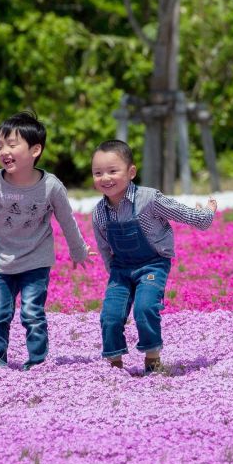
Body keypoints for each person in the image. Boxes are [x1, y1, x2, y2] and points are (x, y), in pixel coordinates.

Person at [0, 111, 93, 370]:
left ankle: (37, 360)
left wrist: (78, 250)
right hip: (3, 263)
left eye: (12, 144)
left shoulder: (52, 186)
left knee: (32, 314)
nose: (4, 151)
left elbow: (66, 219)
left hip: (36, 261)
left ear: (35, 149)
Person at [90, 140, 216, 374]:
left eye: (112, 171)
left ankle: (152, 359)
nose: (105, 178)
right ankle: (114, 366)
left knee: (145, 308)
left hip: (152, 264)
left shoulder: (149, 199)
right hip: (121, 269)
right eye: (98, 173)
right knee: (110, 314)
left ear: (131, 172)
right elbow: (105, 248)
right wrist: (115, 276)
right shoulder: (98, 212)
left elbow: (183, 213)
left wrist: (206, 214)